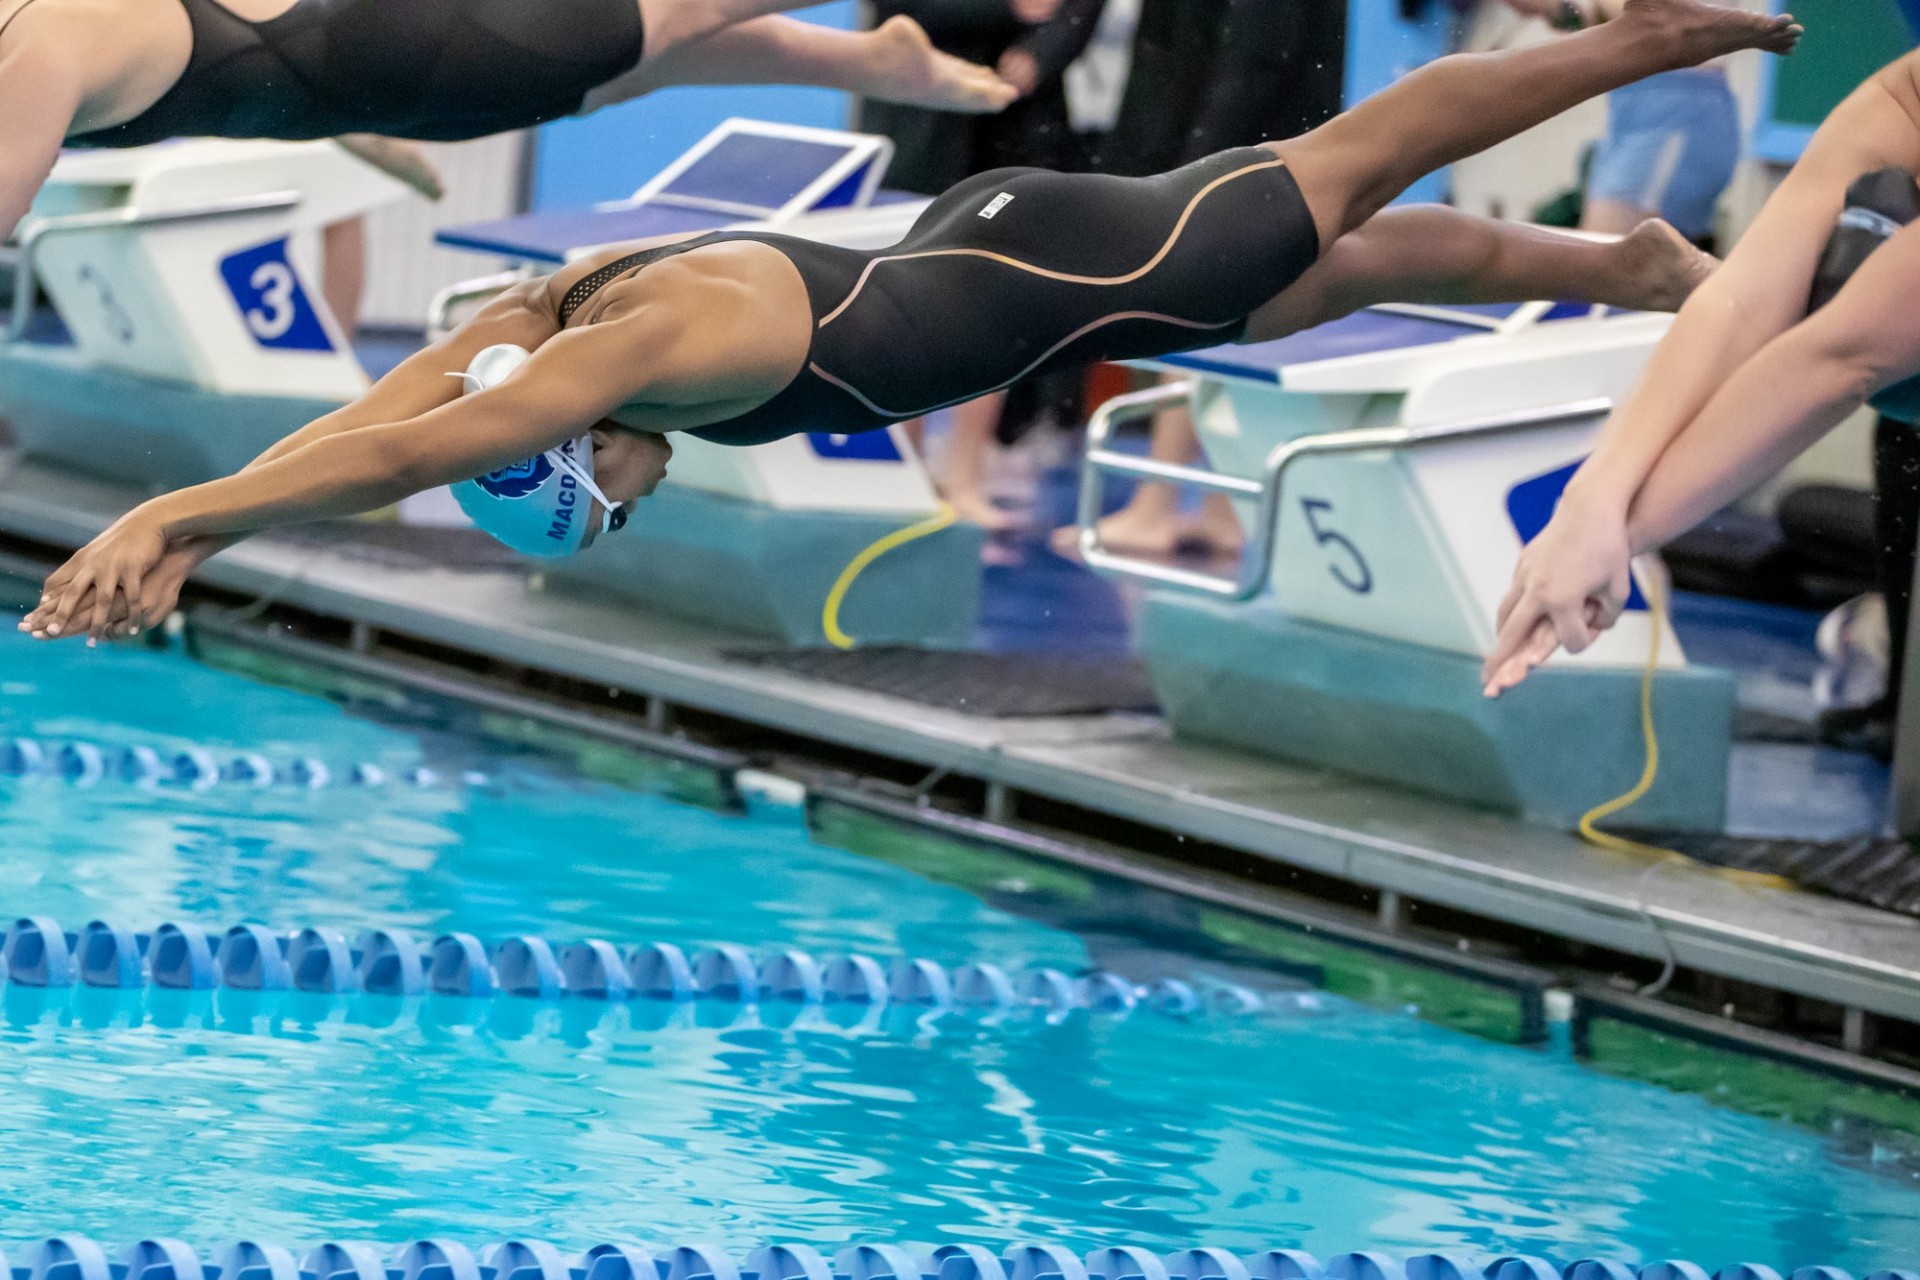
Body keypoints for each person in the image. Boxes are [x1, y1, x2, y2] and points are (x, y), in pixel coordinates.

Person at [20, 0, 1799, 644]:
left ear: (586, 449)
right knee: (1354, 267)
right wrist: (217, 522)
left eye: (608, 497)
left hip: (1073, 260)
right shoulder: (558, 314)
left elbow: (424, 441)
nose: (637, 494)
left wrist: (182, 516)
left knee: (1357, 168)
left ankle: (1650, 36)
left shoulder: (653, 357)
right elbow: (409, 408)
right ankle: (1634, 268)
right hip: (987, 239)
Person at [1484, 49, 1920, 698]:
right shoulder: (1902, 95)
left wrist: (1618, 536)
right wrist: (1590, 502)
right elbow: (1739, 302)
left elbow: (1839, 355)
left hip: (1671, 112)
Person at [0, 0, 1019, 244]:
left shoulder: (31, 57)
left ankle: (878, 56)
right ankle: (868, 60)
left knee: (670, 22)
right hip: (384, 72)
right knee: (639, 61)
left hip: (433, 59)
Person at [862, 0, 1109, 530]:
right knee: (910, 297)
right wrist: (1006, 8)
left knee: (998, 298)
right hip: (923, 118)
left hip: (1017, 120)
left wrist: (1039, 56)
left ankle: (966, 475)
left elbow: (1074, 8)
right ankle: (906, 471)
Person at [1499, 0, 1744, 243]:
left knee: (1606, 259)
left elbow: (1664, 15)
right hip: (1645, 107)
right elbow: (1598, 17)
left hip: (1675, 111)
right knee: (1607, 259)